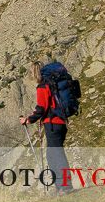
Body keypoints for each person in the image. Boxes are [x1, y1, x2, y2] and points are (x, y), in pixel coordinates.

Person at [20, 62, 70, 193]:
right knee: (54, 155)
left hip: (53, 124)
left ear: (34, 73)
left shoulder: (43, 87)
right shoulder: (52, 85)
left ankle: (65, 187)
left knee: (56, 155)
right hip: (60, 123)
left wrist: (28, 119)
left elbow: (41, 108)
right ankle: (61, 186)